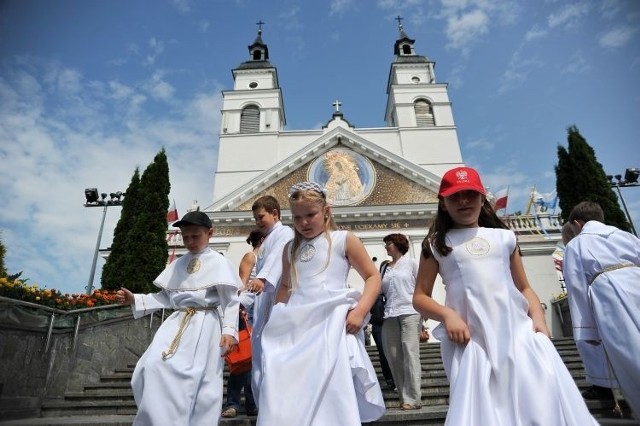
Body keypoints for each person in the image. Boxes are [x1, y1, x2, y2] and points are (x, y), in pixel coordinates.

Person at [413, 166, 597, 425]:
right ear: (443, 203)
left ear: (482, 199)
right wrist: (447, 315)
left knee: (536, 400)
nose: (464, 201)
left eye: (470, 194)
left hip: (517, 333)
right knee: (483, 409)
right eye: (455, 196)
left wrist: (539, 321)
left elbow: (524, 288)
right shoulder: (435, 244)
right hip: (471, 339)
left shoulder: (505, 237)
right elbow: (420, 296)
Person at [255, 182, 385, 425]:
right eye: (297, 217)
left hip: (330, 323)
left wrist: (360, 311)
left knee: (331, 385)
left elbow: (372, 277)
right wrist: (278, 315)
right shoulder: (289, 248)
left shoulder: (343, 239)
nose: (304, 222)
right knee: (285, 384)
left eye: (310, 215)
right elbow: (285, 286)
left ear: (326, 211)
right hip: (296, 325)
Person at [115, 211, 241, 426]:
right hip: (176, 324)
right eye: (185, 237)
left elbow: (230, 300)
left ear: (210, 233)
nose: (190, 241)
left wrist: (229, 331)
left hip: (206, 325)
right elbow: (166, 296)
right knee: (150, 367)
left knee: (201, 381)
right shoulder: (179, 263)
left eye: (195, 236)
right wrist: (135, 299)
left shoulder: (219, 262)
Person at [563, 201, 640, 418]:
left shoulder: (576, 245)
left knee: (629, 348)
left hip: (610, 294)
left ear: (577, 224)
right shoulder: (626, 236)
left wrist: (585, 329)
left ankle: (607, 386)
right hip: (637, 281)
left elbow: (576, 285)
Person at [245, 195, 294, 407]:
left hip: (278, 298)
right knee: (261, 354)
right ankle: (265, 405)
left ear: (275, 213)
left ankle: (277, 405)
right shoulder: (268, 239)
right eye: (255, 218)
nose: (258, 222)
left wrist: (263, 278)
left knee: (274, 353)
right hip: (264, 300)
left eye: (261, 217)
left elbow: (279, 257)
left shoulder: (285, 233)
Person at [560, 221, 617, 401]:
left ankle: (603, 385)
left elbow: (574, 280)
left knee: (593, 339)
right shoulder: (621, 237)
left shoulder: (575, 247)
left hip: (598, 298)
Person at [221, 229, 263, 418]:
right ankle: (233, 403)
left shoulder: (271, 260)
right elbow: (241, 284)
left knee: (255, 361)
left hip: (264, 309)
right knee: (243, 358)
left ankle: (253, 403)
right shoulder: (251, 256)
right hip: (249, 310)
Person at [380, 233, 422, 410]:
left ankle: (413, 398)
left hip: (410, 312)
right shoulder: (384, 268)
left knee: (410, 353)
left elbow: (422, 287)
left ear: (398, 244)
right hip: (390, 313)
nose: (386, 246)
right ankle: (404, 397)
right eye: (386, 243)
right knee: (394, 356)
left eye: (389, 243)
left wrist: (425, 316)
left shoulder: (412, 263)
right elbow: (379, 291)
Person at [370, 259, 395, 390]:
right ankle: (390, 378)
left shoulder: (393, 285)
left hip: (391, 318)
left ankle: (395, 378)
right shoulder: (375, 283)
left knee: (393, 351)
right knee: (383, 351)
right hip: (378, 322)